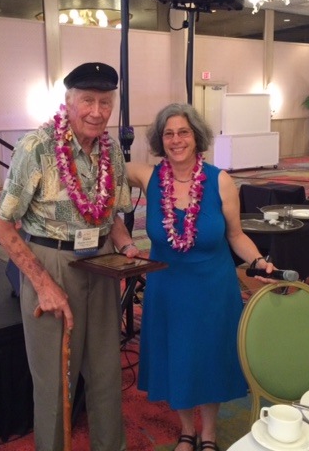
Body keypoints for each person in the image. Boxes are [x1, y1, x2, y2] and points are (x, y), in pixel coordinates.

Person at [0, 62, 138, 451]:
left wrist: (127, 249)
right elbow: (4, 227)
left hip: (102, 263)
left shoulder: (111, 152)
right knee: (57, 381)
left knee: (107, 373)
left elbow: (113, 219)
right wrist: (43, 285)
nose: (96, 111)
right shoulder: (35, 147)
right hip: (51, 265)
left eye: (105, 102)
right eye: (87, 100)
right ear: (68, 102)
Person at [126, 103, 275, 451]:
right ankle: (185, 430)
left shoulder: (220, 180)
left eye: (183, 132)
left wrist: (258, 262)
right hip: (166, 287)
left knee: (209, 357)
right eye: (168, 133)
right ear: (160, 141)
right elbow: (104, 170)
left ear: (196, 137)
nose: (176, 140)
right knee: (174, 357)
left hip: (212, 285)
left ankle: (207, 432)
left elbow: (236, 235)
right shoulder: (148, 177)